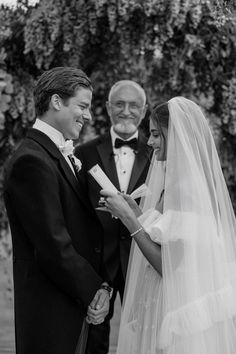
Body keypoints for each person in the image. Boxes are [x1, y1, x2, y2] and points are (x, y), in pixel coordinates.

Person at [101, 97, 236, 354]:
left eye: (156, 135)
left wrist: (129, 220)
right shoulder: (176, 183)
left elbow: (168, 265)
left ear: (177, 136)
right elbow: (167, 235)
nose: (150, 142)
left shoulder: (186, 189)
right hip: (163, 299)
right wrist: (136, 211)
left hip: (175, 305)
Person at [3, 67, 111, 354]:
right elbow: (53, 244)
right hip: (51, 314)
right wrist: (96, 289)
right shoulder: (32, 161)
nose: (87, 116)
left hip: (70, 306)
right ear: (56, 102)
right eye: (82, 106)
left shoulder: (55, 154)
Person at [74, 80, 152, 354]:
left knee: (144, 335)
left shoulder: (157, 153)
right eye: (119, 104)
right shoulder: (84, 152)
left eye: (134, 105)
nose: (126, 111)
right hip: (96, 263)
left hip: (143, 261)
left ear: (144, 111)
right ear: (108, 108)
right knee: (93, 337)